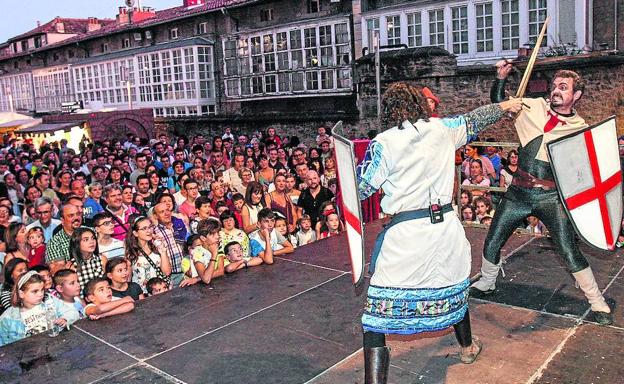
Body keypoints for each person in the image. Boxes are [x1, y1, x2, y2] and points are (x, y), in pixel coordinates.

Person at [355, 82, 522, 382]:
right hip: (445, 230)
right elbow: (477, 118)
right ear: (420, 105)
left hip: (407, 237)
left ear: (390, 109)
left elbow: (362, 188)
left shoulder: (383, 142)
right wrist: (506, 106)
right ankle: (468, 347)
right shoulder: (443, 129)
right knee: (453, 288)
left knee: (375, 319)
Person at [471, 66, 615, 325]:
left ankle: (597, 301)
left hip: (550, 197)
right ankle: (487, 282)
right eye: (555, 85)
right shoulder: (532, 107)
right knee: (492, 240)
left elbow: (588, 171)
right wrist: (501, 78)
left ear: (577, 95)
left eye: (564, 87)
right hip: (518, 193)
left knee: (568, 250)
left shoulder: (580, 128)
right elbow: (499, 103)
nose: (556, 91)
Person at [0, 271, 76, 346]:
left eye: (42, 289)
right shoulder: (7, 318)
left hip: (56, 345)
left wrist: (65, 319)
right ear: (21, 293)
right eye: (35, 291)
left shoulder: (50, 301)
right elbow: (4, 346)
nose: (40, 294)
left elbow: (72, 312)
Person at [125, 216, 172, 294]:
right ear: (135, 233)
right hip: (142, 294)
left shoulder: (157, 248)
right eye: (144, 228)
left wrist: (163, 251)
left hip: (161, 291)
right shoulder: (131, 253)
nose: (149, 231)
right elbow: (128, 280)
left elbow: (167, 272)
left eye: (150, 227)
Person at [179, 220, 224, 286]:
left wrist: (197, 279)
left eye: (218, 233)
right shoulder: (197, 252)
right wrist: (214, 255)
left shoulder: (218, 246)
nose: (217, 236)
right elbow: (206, 279)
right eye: (213, 234)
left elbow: (220, 271)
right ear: (203, 238)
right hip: (198, 288)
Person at [46, 203, 83, 274]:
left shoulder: (90, 231)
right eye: (71, 215)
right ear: (62, 220)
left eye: (78, 214)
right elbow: (56, 271)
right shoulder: (55, 242)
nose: (76, 218)